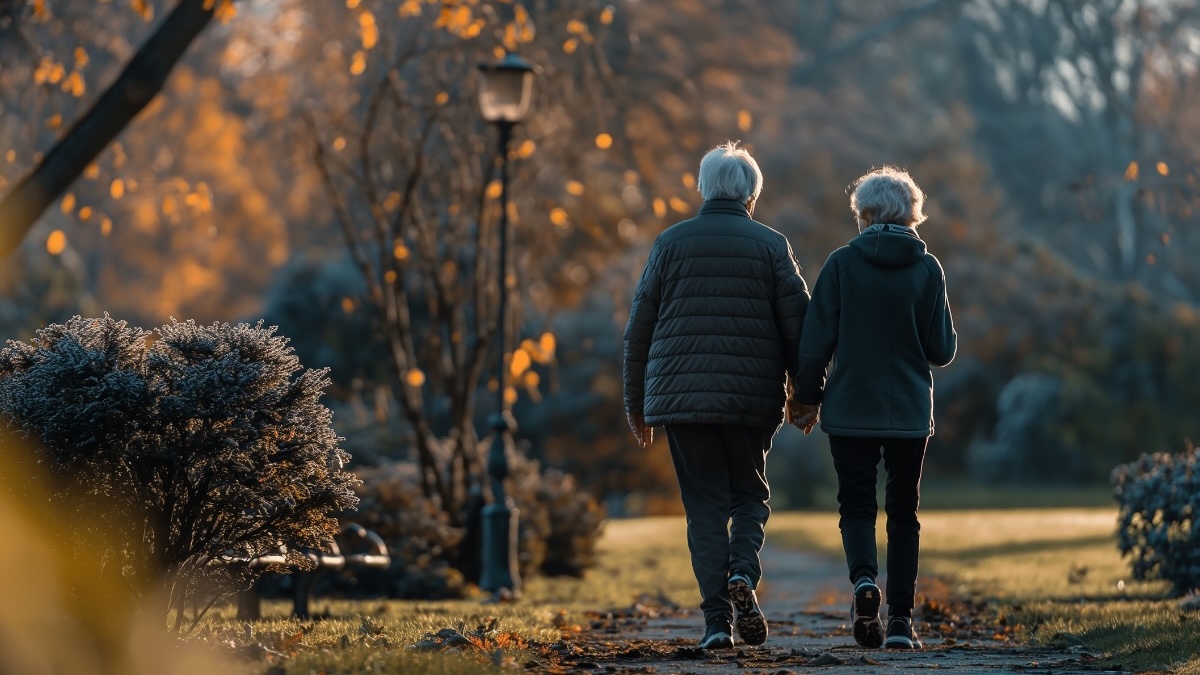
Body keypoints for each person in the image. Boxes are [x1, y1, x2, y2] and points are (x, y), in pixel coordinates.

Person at [623, 141, 812, 650]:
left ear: (703, 187)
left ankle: (715, 625)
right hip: (751, 399)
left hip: (680, 400)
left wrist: (634, 404)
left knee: (704, 507)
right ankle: (743, 578)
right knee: (750, 495)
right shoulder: (772, 245)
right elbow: (800, 330)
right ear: (752, 192)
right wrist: (805, 393)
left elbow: (638, 330)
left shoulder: (669, 242)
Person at [791, 166, 957, 650]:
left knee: (857, 505)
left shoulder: (841, 264)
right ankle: (902, 621)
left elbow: (814, 342)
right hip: (908, 410)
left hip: (850, 408)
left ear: (863, 214)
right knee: (904, 512)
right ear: (912, 214)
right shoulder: (929, 269)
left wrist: (806, 395)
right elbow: (942, 349)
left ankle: (866, 584)